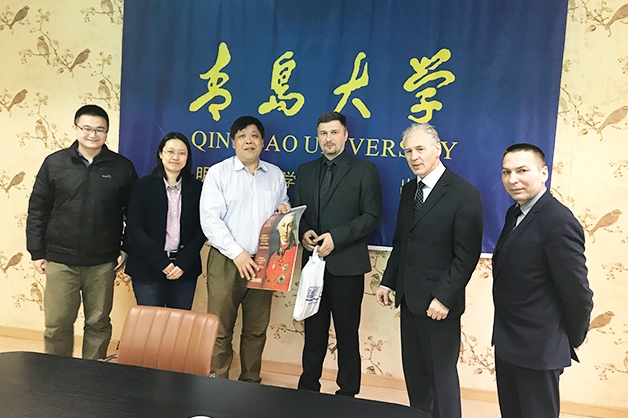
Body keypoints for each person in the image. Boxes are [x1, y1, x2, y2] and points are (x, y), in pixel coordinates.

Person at [376, 123, 483, 417]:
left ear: (438, 149)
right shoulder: (410, 190)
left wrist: (444, 298)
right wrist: (388, 282)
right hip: (409, 299)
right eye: (408, 151)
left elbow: (466, 256)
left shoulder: (464, 193)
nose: (414, 157)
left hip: (439, 305)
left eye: (420, 149)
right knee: (415, 374)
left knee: (441, 377)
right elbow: (402, 242)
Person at [26, 104, 137, 359]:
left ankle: (92, 375)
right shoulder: (55, 163)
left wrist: (125, 248)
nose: (92, 134)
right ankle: (57, 373)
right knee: (57, 324)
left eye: (99, 129)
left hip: (101, 261)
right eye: (87, 128)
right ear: (76, 129)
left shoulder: (122, 167)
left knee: (98, 323)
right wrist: (36, 251)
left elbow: (135, 214)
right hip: (60, 259)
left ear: (107, 132)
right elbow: (38, 209)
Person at [492, 143, 593, 418]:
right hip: (508, 342)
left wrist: (573, 336)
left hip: (538, 348)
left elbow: (577, 292)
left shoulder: (558, 221)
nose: (513, 179)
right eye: (506, 172)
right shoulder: (515, 213)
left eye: (522, 171)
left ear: (544, 173)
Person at [293, 111, 382, 397]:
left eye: (334, 132)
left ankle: (348, 393)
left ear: (345, 135)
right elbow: (297, 212)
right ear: (317, 137)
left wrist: (336, 237)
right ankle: (308, 389)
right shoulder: (305, 171)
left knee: (346, 334)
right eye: (323, 133)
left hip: (347, 267)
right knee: (313, 333)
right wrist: (303, 232)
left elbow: (372, 216)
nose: (328, 138)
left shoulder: (364, 170)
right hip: (313, 266)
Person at [200, 115, 290, 382]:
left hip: (263, 262)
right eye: (242, 136)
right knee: (219, 327)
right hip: (226, 261)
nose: (248, 141)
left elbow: (282, 206)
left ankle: (250, 382)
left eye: (254, 136)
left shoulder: (275, 174)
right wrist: (237, 253)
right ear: (233, 142)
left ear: (262, 142)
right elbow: (210, 220)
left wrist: (284, 209)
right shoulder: (219, 173)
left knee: (256, 328)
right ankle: (218, 382)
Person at [124, 132, 206, 310]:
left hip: (184, 269)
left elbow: (202, 229)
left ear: (187, 157)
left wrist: (182, 263)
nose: (175, 157)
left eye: (181, 153)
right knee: (151, 322)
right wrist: (162, 262)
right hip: (147, 266)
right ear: (161, 154)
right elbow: (135, 229)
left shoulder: (198, 188)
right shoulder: (143, 186)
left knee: (179, 323)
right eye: (170, 152)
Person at [265, 212, 297, 287]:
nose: (285, 230)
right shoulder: (273, 257)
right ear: (278, 228)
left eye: (289, 226)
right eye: (283, 225)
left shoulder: (295, 253)